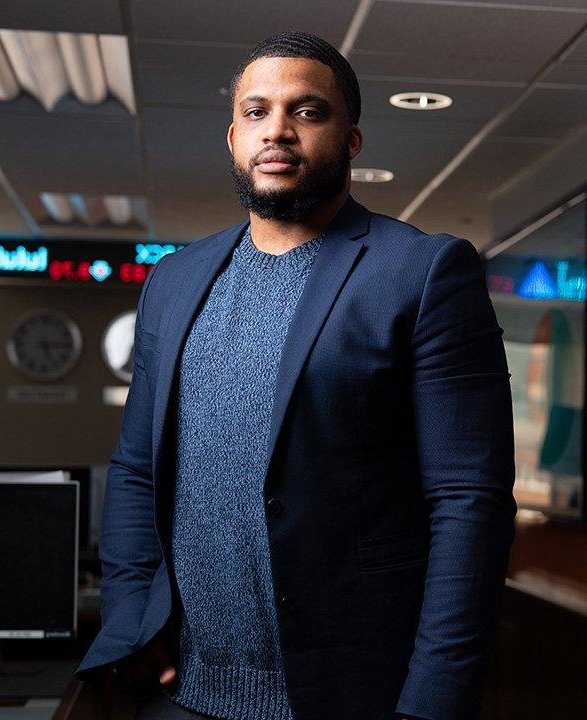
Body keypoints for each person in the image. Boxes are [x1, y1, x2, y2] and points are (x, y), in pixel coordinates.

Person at [73, 30, 517, 720]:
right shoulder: (174, 279)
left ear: (352, 139)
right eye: (257, 112)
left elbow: (469, 501)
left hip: (352, 695)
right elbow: (136, 468)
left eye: (307, 111)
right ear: (231, 137)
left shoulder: (422, 272)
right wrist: (130, 619)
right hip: (177, 693)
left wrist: (436, 697)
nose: (277, 129)